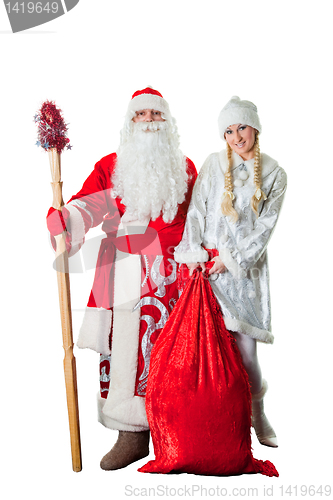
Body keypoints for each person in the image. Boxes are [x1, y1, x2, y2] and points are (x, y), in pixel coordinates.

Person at [47, 87, 197, 470]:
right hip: (124, 274)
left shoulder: (187, 169)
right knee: (123, 352)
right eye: (141, 115)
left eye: (156, 115)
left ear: (168, 122)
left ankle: (175, 437)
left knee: (174, 357)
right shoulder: (112, 166)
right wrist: (66, 219)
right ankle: (130, 435)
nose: (149, 121)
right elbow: (88, 206)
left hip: (175, 278)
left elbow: (203, 222)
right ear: (130, 123)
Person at [174, 96, 287, 448]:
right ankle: (220, 420)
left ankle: (257, 412)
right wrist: (194, 253)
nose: (236, 136)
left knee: (246, 353)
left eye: (241, 127)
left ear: (254, 127)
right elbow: (196, 211)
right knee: (208, 348)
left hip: (243, 274)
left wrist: (232, 258)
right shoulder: (212, 165)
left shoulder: (274, 174)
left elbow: (264, 229)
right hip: (207, 270)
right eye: (229, 130)